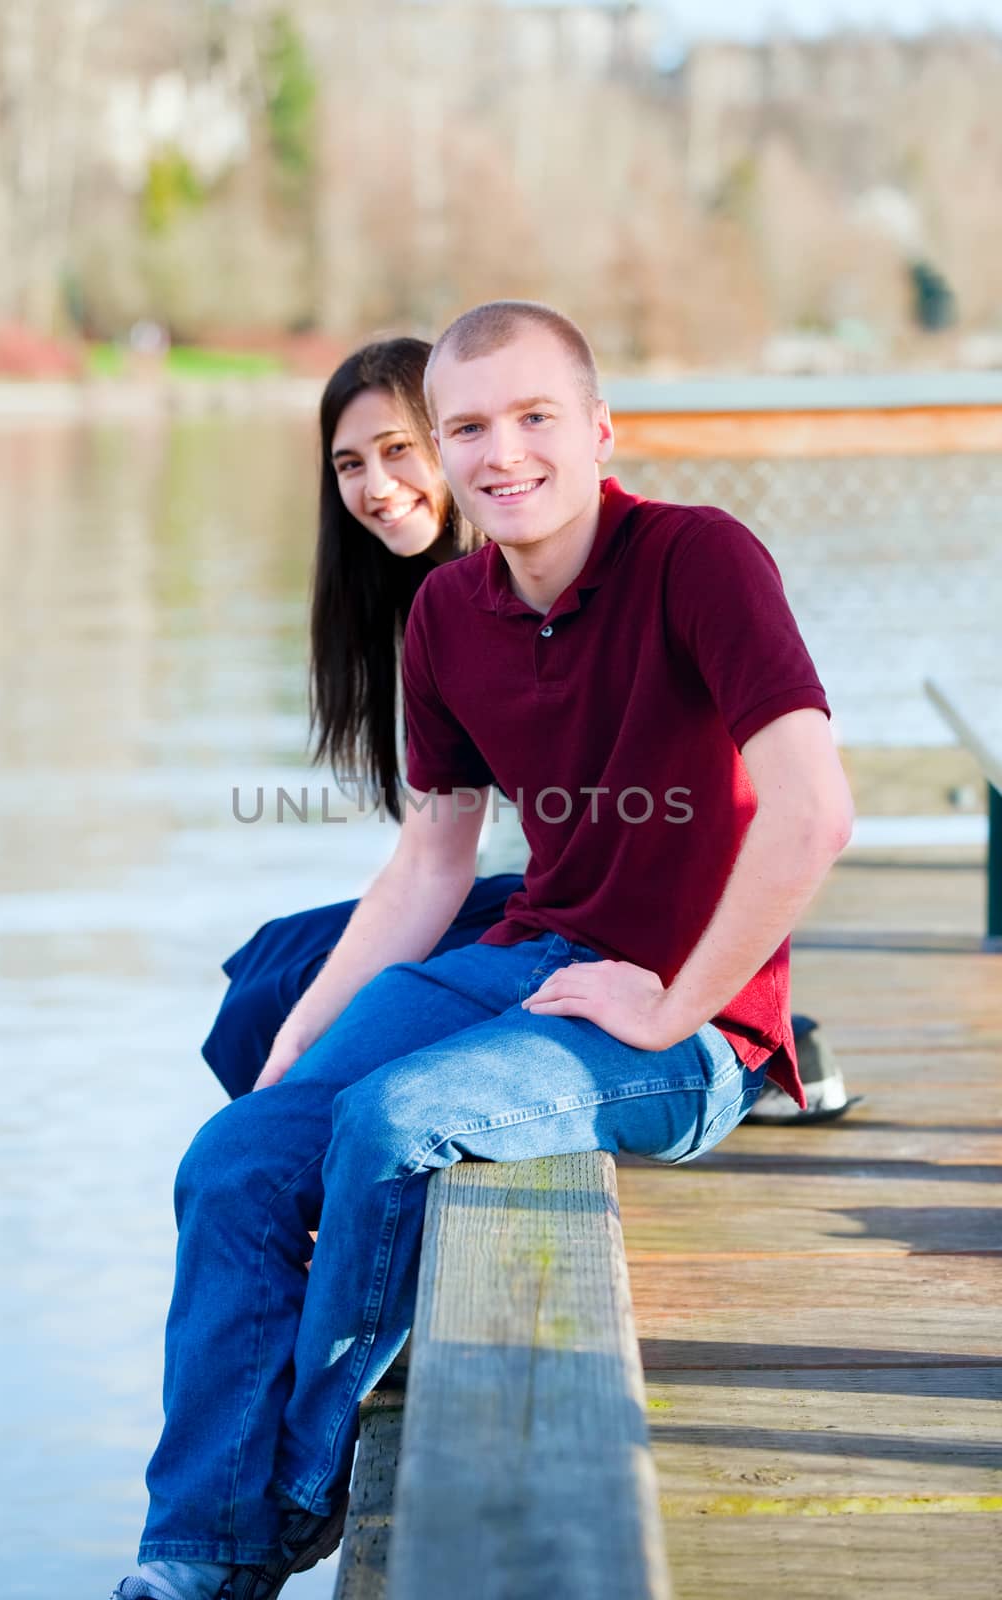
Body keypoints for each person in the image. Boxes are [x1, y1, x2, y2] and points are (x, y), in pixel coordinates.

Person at [112, 301, 855, 1600]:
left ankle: (293, 1491)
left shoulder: (698, 559)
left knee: (399, 1120)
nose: (499, 452)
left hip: (688, 1026)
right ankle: (192, 1561)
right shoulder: (443, 615)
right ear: (442, 450)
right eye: (466, 427)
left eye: (531, 419)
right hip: (527, 951)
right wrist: (295, 1043)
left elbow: (811, 807)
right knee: (233, 1155)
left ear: (598, 429)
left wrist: (678, 999)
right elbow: (427, 869)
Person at [203, 337, 857, 1121]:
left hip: (600, 913)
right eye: (349, 464)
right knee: (270, 972)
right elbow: (436, 848)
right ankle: (282, 1158)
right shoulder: (434, 603)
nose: (378, 486)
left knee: (292, 986)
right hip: (543, 892)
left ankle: (779, 1048)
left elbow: (773, 792)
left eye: (397, 450)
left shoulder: (563, 547)